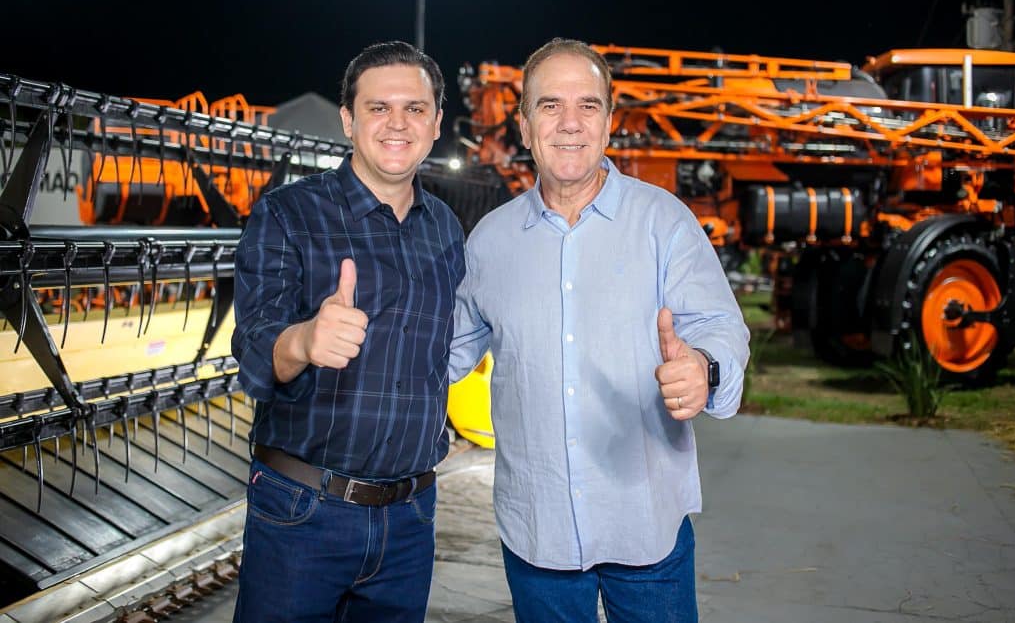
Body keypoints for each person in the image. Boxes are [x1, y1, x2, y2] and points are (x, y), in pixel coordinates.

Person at [449, 38, 750, 622]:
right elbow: (444, 354)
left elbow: (720, 327)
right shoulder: (490, 241)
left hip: (646, 528)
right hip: (537, 532)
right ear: (524, 126)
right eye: (550, 105)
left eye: (587, 105)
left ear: (609, 122)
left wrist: (704, 368)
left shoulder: (664, 222)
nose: (570, 123)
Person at [231, 40, 465, 623]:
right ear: (347, 120)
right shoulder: (288, 213)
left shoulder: (446, 228)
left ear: (436, 123)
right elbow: (255, 351)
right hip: (303, 512)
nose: (397, 123)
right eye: (378, 107)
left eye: (414, 108)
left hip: (411, 518)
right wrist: (304, 340)